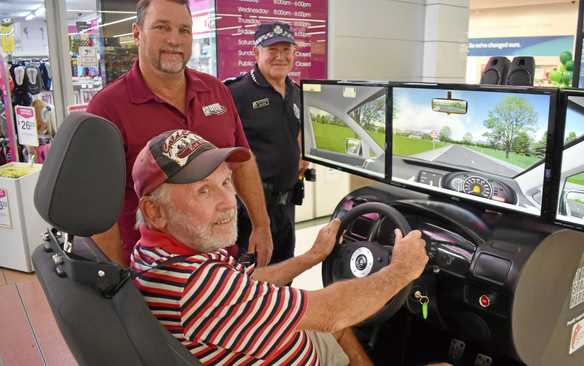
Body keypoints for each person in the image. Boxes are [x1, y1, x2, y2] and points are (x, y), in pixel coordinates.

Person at [130, 129, 433, 365]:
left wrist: (312, 256)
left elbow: (247, 284)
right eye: (204, 191)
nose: (228, 202)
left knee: (340, 331)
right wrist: (401, 270)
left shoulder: (154, 255)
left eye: (225, 183)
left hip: (272, 347)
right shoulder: (198, 286)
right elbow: (330, 313)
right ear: (155, 211)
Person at [86, 0, 272, 267]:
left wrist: (261, 225)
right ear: (137, 33)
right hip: (153, 272)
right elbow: (98, 210)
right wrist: (121, 283)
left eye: (184, 30)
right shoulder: (107, 108)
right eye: (162, 27)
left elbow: (242, 163)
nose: (175, 40)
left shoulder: (215, 90)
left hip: (220, 262)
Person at [225, 22, 307, 265]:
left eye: (286, 50)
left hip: (287, 205)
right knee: (253, 275)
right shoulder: (235, 93)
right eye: (272, 50)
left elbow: (295, 129)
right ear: (256, 52)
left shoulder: (295, 91)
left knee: (284, 267)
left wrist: (301, 155)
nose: (280, 57)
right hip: (249, 208)